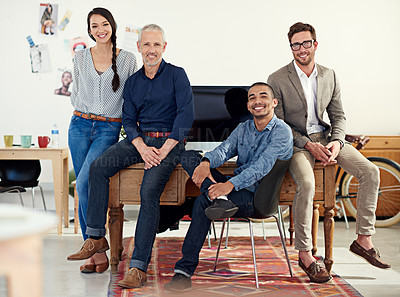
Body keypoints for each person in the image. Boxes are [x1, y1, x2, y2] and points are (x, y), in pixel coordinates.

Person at [67, 24, 194, 289]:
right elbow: (129, 119)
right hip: (139, 141)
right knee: (98, 168)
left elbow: (185, 117)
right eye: (146, 45)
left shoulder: (177, 76)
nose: (151, 50)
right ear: (139, 47)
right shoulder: (133, 81)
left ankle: (138, 268)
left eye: (156, 45)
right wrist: (141, 147)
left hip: (169, 143)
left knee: (149, 192)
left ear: (164, 47)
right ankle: (96, 237)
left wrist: (162, 150)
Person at [267, 22, 391, 283]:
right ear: (290, 47)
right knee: (308, 185)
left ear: (315, 44)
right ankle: (305, 255)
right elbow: (278, 124)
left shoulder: (329, 75)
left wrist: (336, 141)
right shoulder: (276, 79)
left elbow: (338, 115)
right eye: (295, 44)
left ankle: (363, 240)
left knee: (370, 171)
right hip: (297, 143)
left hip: (327, 137)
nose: (301, 49)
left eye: (306, 43)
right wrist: (307, 144)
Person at [164, 82, 293, 292]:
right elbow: (223, 151)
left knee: (203, 201)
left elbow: (261, 168)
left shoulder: (282, 132)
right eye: (252, 97)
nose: (257, 101)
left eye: (263, 96)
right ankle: (219, 200)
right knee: (188, 156)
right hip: (235, 189)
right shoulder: (243, 128)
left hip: (258, 196)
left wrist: (228, 186)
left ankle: (184, 273)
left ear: (274, 102)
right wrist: (206, 163)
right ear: (248, 104)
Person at [68, 7, 137, 274]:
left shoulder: (128, 58)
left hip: (109, 127)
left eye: (104, 24)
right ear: (89, 30)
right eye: (94, 26)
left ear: (113, 26)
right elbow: (77, 92)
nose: (100, 30)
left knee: (86, 180)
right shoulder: (80, 57)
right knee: (83, 186)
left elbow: (132, 97)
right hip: (79, 125)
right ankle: (96, 253)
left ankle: (94, 242)